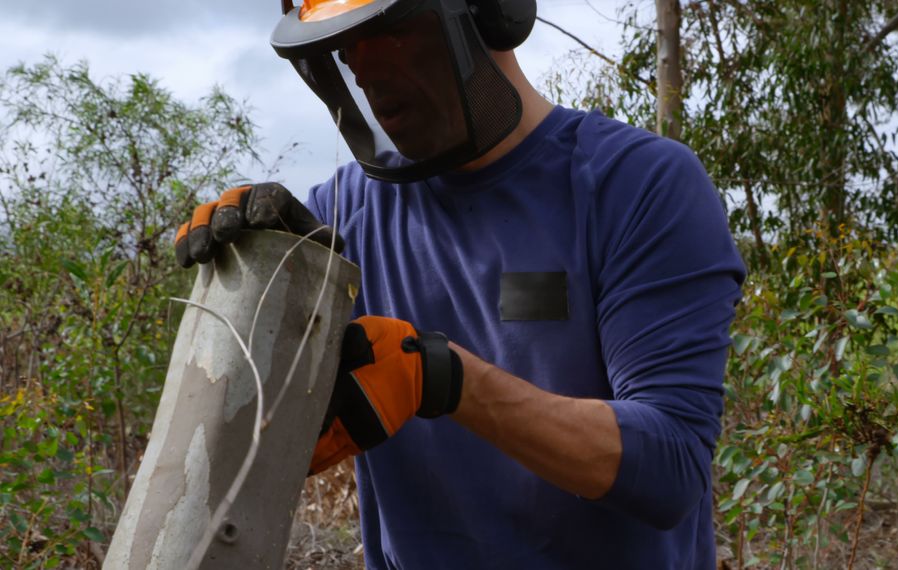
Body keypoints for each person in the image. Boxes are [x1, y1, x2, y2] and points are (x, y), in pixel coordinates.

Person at [173, 0, 746, 568]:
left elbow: (670, 465)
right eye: (344, 47)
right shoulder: (340, 218)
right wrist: (247, 291)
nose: (363, 69)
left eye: (390, 33)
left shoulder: (637, 186)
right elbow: (243, 444)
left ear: (492, 12)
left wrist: (443, 378)